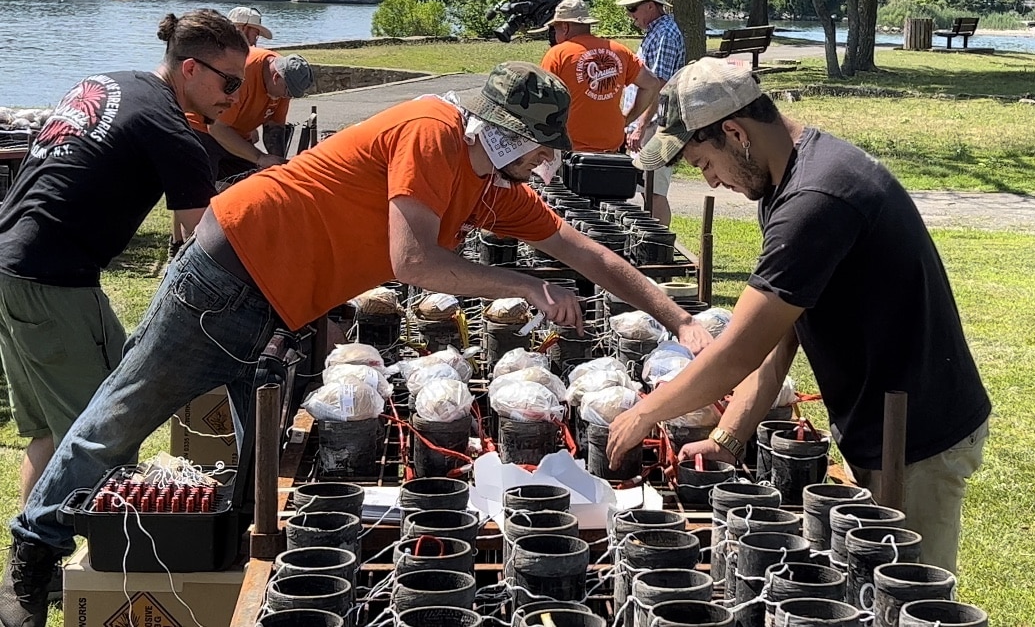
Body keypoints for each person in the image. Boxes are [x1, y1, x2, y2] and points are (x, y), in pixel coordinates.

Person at [0, 62, 713, 626]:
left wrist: (678, 321)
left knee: (263, 470)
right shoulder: (432, 133)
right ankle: (31, 559)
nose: (547, 169)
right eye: (544, 152)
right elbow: (414, 263)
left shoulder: (490, 182)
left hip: (277, 301)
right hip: (227, 275)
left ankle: (226, 580)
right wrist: (527, 288)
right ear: (510, 135)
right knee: (122, 416)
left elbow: (590, 254)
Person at [605, 58, 991, 574]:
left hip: (918, 436)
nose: (713, 182)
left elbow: (739, 349)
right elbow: (778, 331)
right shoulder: (786, 179)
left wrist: (645, 413)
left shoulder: (817, 198)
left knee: (904, 592)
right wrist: (729, 436)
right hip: (877, 420)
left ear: (735, 133)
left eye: (704, 165)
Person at [0, 9, 246, 510]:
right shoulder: (171, 130)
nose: (235, 96)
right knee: (98, 436)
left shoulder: (110, 83)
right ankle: (62, 563)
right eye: (230, 81)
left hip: (11, 262)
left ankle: (38, 563)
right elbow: (204, 246)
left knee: (56, 429)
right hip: (52, 281)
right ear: (192, 68)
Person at [537, 0, 662, 153]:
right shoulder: (619, 50)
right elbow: (651, 84)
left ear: (565, 26)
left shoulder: (557, 54)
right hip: (610, 149)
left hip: (569, 149)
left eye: (555, 29)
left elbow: (542, 101)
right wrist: (626, 119)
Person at [189, 49, 313, 184]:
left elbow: (274, 127)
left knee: (249, 184)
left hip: (235, 133)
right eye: (287, 92)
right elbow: (217, 128)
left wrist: (278, 166)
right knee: (203, 191)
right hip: (202, 130)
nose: (287, 97)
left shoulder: (285, 78)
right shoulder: (242, 74)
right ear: (276, 77)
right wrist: (260, 157)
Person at [617, 0, 684, 226]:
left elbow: (659, 85)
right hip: (650, 122)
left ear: (649, 6)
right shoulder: (657, 31)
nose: (630, 15)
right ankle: (652, 244)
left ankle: (658, 247)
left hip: (657, 124)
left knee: (655, 190)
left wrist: (639, 126)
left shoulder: (665, 34)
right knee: (648, 187)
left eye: (633, 8)